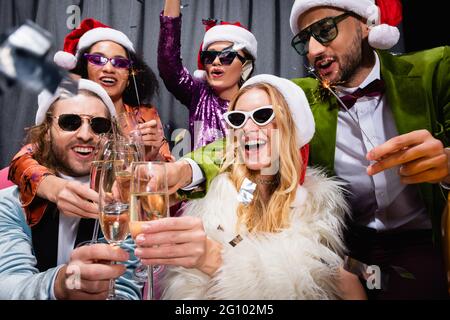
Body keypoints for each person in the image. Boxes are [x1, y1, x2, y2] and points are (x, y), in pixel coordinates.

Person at [154, 0, 450, 299]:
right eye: (304, 40)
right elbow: (236, 143)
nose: (313, 50)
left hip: (419, 243)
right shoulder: (297, 96)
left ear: (365, 24)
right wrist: (184, 169)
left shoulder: (435, 69)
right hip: (349, 243)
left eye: (324, 30)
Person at [133, 74, 365, 299]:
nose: (247, 127)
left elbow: (310, 284)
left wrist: (214, 259)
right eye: (238, 119)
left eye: (262, 115)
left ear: (289, 124)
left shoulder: (315, 211)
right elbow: (236, 238)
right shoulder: (227, 194)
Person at [8, 18, 172, 228]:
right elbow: (22, 160)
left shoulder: (145, 115)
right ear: (84, 69)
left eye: (120, 62)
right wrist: (51, 186)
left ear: (129, 75)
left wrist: (153, 156)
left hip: (123, 217)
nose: (109, 68)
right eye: (98, 59)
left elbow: (167, 179)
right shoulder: (65, 104)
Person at [0, 79, 141, 299]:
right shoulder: (10, 204)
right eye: (70, 122)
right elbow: (7, 285)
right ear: (46, 131)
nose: (86, 134)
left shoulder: (120, 206)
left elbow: (125, 291)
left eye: (98, 125)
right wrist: (60, 285)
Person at [159, 0, 257, 150]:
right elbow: (168, 64)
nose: (216, 61)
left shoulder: (258, 103)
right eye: (209, 57)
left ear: (246, 65)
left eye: (226, 56)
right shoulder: (199, 95)